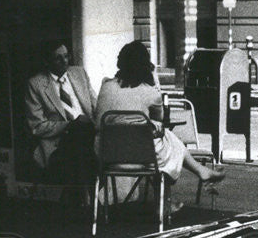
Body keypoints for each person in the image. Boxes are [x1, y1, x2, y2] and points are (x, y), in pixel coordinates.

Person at [94, 41, 224, 213]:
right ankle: (166, 202)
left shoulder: (106, 86)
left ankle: (180, 189)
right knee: (166, 141)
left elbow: (97, 122)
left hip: (106, 155)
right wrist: (153, 79)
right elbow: (160, 119)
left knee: (163, 145)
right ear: (145, 65)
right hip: (140, 158)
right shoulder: (150, 92)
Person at [24, 40, 98, 206]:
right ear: (47, 61)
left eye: (66, 56)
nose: (65, 62)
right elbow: (37, 127)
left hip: (89, 136)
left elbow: (95, 107)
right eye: (58, 58)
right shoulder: (36, 84)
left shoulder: (79, 74)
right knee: (79, 139)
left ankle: (77, 201)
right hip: (59, 143)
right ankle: (92, 203)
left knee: (82, 138)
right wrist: (70, 125)